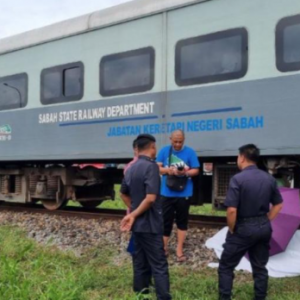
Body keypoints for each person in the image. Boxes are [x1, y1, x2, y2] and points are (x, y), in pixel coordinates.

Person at [218, 144, 283, 300]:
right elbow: (278, 204)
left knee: (226, 266)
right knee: (260, 267)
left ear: (242, 157)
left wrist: (232, 229)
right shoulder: (269, 178)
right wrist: (266, 220)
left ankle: (225, 297)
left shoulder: (238, 179)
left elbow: (232, 210)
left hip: (243, 228)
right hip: (263, 227)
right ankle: (260, 297)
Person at [120, 134, 171, 300]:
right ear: (152, 147)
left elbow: (123, 193)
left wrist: (133, 211)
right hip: (151, 224)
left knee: (139, 262)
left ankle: (140, 295)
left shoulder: (131, 167)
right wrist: (135, 213)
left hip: (137, 226)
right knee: (159, 264)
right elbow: (150, 198)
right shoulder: (151, 167)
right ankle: (163, 297)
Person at [156, 130, 200, 262]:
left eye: (180, 141)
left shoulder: (190, 152)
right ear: (170, 139)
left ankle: (179, 249)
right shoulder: (164, 151)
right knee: (165, 221)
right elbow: (157, 168)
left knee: (182, 221)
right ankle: (163, 247)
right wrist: (169, 170)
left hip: (184, 193)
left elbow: (196, 170)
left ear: (184, 139)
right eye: (175, 141)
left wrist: (185, 173)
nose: (178, 144)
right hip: (167, 193)